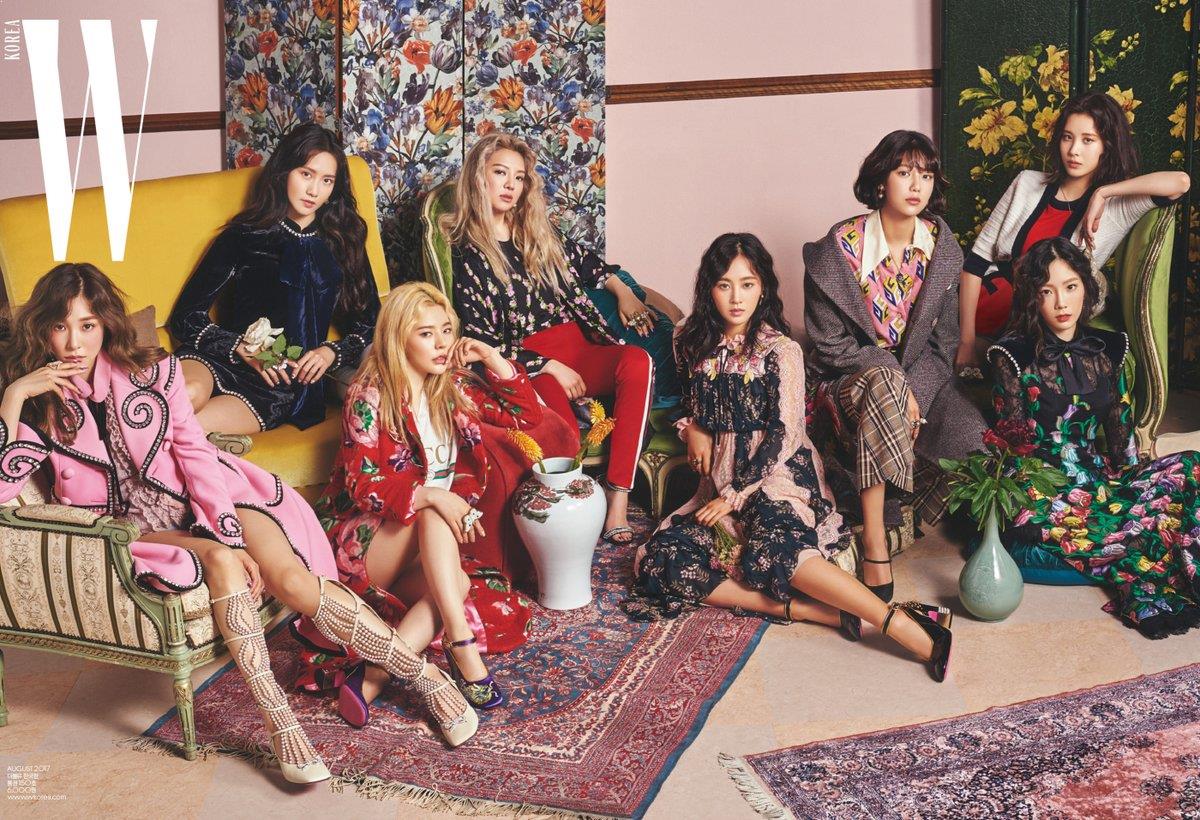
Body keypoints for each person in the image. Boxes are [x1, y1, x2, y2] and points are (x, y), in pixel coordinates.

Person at [0, 265, 480, 785]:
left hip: (212, 502)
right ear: (43, 329)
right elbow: (4, 490)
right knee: (220, 561)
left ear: (106, 325)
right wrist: (13, 397)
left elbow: (195, 456)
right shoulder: (38, 408)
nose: (75, 342)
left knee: (291, 579)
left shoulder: (153, 376)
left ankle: (426, 678)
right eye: (61, 326)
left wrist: (224, 531)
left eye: (88, 325)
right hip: (139, 531)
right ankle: (282, 728)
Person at [625, 234, 952, 682]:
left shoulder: (781, 350)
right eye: (724, 285)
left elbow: (785, 432)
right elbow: (685, 399)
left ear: (763, 287)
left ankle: (899, 623)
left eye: (747, 284)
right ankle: (819, 612)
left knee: (775, 549)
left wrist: (736, 494)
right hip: (717, 481)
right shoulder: (690, 340)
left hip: (777, 478)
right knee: (657, 560)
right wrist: (693, 428)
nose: (736, 298)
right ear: (708, 288)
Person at [296, 282, 543, 726]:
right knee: (434, 515)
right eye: (427, 334)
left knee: (461, 590)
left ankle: (372, 678)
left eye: (447, 330)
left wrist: (491, 357)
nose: (442, 343)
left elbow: (526, 416)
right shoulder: (369, 395)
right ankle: (462, 648)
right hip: (362, 542)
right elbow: (362, 484)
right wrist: (434, 495)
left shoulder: (453, 386)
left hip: (422, 540)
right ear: (398, 337)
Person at [443, 132, 658, 544]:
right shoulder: (467, 252)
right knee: (563, 436)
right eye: (500, 173)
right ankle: (565, 523)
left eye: (519, 177)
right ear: (479, 178)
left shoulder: (538, 232)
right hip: (530, 363)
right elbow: (480, 337)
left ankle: (617, 498)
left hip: (578, 345)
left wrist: (625, 292)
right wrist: (547, 365)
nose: (510, 185)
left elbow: (591, 266)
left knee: (637, 361)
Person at [805, 131, 986, 601]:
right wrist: (894, 381)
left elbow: (944, 344)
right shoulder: (837, 250)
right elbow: (828, 344)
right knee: (884, 383)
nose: (916, 185)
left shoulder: (943, 249)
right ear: (881, 180)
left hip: (922, 383)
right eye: (904, 172)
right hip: (847, 385)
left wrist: (911, 391)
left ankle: (907, 517)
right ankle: (875, 539)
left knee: (974, 436)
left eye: (925, 175)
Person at [989, 237, 1200, 638]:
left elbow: (1121, 439)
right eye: (1047, 291)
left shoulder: (1109, 348)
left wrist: (1141, 483)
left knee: (1192, 465)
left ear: (1085, 287)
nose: (1061, 302)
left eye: (1070, 287)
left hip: (1100, 479)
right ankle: (1131, 537)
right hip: (1046, 489)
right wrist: (1022, 507)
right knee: (1143, 526)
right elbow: (1010, 445)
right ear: (1033, 297)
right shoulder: (1011, 354)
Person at [958, 91, 1191, 375]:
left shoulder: (1117, 207)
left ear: (1107, 145)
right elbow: (975, 264)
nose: (1074, 150)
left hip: (1034, 321)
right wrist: (966, 341)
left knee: (1012, 364)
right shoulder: (1026, 183)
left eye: (1088, 140)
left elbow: (1180, 182)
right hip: (984, 303)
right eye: (1067, 137)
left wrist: (1104, 193)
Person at [169, 123, 380, 434]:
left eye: (326, 181)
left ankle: (211, 447)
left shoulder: (344, 241)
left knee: (187, 430)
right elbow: (185, 317)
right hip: (219, 358)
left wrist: (331, 352)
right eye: (306, 174)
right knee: (189, 395)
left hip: (274, 387)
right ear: (284, 172)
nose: (314, 190)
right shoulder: (243, 236)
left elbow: (371, 323)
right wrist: (240, 346)